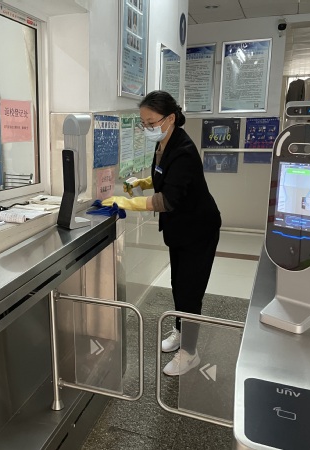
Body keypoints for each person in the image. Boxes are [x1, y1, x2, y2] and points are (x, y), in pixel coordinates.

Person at [102, 90, 221, 376]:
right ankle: (181, 331)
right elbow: (164, 175)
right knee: (178, 284)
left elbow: (167, 200)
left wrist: (125, 202)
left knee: (190, 291)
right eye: (143, 123)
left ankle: (190, 353)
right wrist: (142, 182)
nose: (147, 128)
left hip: (198, 230)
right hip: (179, 229)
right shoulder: (165, 143)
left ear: (170, 118)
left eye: (151, 122)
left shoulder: (184, 150)